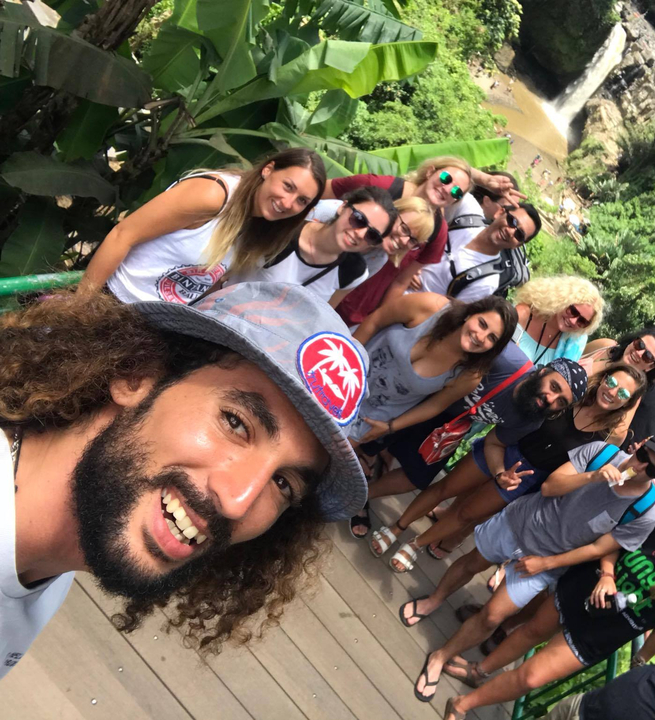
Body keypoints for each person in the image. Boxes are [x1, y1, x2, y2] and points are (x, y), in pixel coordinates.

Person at [0, 282, 371, 678]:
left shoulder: (49, 570)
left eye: (284, 485)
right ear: (136, 375)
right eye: (236, 423)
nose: (239, 501)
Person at [410, 435, 655, 704]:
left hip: (549, 560)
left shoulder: (644, 512)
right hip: (521, 522)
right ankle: (434, 599)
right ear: (642, 444)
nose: (640, 466)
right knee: (472, 562)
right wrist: (593, 476)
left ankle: (441, 656)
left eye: (653, 468)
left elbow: (598, 549)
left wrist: (547, 563)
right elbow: (550, 487)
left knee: (493, 616)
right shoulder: (602, 453)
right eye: (642, 455)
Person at [434, 504, 655, 717]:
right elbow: (613, 546)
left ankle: (462, 705)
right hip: (582, 591)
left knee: (531, 677)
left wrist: (640, 662)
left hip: (604, 633)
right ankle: (480, 671)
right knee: (529, 632)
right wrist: (608, 575)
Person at [385, 364, 644, 575]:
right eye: (612, 382)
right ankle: (397, 527)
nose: (612, 392)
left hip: (528, 476)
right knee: (444, 488)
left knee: (467, 514)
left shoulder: (610, 437)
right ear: (604, 379)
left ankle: (415, 544)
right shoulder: (568, 396)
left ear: (627, 404)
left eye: (623, 394)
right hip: (505, 447)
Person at [347, 293, 517, 536]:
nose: (480, 336)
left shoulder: (469, 374)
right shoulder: (431, 307)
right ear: (471, 313)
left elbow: (434, 407)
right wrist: (342, 359)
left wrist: (390, 427)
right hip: (346, 374)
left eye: (491, 338)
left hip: (375, 412)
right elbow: (375, 320)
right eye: (482, 324)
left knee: (325, 455)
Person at [80, 148, 326, 304]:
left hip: (156, 325)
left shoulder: (259, 226)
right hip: (114, 301)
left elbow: (210, 283)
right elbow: (122, 235)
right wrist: (80, 306)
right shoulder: (214, 194)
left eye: (302, 201)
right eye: (288, 186)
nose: (288, 203)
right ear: (268, 170)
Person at [363, 345, 567, 507]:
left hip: (453, 423)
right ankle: (352, 472)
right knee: (373, 438)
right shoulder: (507, 360)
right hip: (429, 395)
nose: (551, 398)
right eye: (554, 386)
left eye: (561, 401)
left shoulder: (532, 416)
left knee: (417, 477)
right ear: (543, 373)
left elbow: (494, 443)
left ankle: (361, 496)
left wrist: (500, 473)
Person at [328, 158, 522, 325]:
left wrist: (375, 325)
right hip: (320, 273)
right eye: (445, 179)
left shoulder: (437, 233)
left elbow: (400, 283)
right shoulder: (382, 187)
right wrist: (485, 179)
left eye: (456, 193)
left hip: (354, 313)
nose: (447, 189)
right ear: (431, 171)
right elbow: (318, 194)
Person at [220, 186, 397, 306]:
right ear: (342, 207)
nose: (360, 233)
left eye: (371, 234)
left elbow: (322, 315)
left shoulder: (353, 272)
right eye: (359, 219)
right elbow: (221, 274)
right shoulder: (282, 232)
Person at [411, 202, 541, 302]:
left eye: (519, 234)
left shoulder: (487, 281)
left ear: (517, 245)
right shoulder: (467, 214)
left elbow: (445, 316)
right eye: (512, 221)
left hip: (407, 314)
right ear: (500, 212)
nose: (510, 231)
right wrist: (482, 179)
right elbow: (442, 178)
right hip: (395, 269)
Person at [513, 277, 604, 364]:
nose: (573, 321)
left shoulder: (573, 344)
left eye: (582, 321)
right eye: (573, 311)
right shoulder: (524, 314)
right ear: (562, 300)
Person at [580, 326, 655, 383]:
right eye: (640, 344)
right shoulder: (606, 346)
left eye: (648, 356)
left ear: (651, 367)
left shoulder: (628, 393)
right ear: (633, 340)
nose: (639, 353)